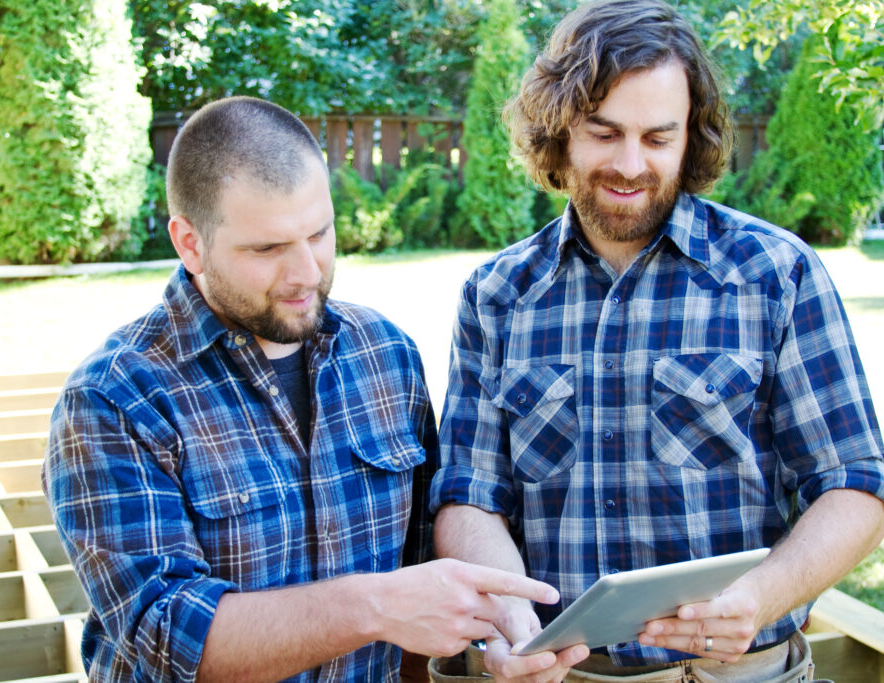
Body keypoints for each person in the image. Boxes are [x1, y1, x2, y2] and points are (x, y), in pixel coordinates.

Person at [430, 1, 884, 681]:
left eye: (658, 137)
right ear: (559, 131)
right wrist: (513, 615)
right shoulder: (496, 294)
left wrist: (759, 597)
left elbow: (857, 486)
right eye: (604, 132)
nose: (629, 165)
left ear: (692, 136)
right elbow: (469, 494)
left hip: (731, 670)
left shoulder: (776, 273)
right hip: (562, 672)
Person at [42, 96, 559, 683]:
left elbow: (422, 580)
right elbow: (166, 636)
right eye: (267, 249)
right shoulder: (114, 399)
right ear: (189, 243)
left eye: (318, 233)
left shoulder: (384, 353)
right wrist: (375, 607)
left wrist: (488, 642)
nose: (308, 273)